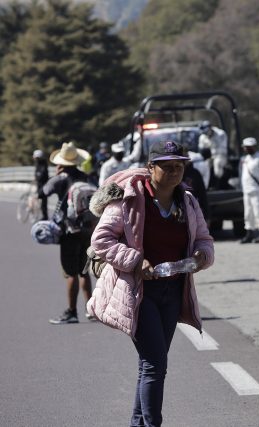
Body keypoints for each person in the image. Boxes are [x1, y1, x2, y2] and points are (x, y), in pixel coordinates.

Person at [86, 140, 214, 426]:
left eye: (179, 166)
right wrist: (135, 260)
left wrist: (202, 256)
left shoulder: (188, 201)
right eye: (166, 166)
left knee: (151, 364)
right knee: (155, 364)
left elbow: (205, 238)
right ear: (150, 167)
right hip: (138, 292)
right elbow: (101, 240)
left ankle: (138, 424)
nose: (173, 172)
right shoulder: (130, 199)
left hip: (173, 290)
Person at [40, 142, 94, 324]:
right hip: (86, 230)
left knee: (71, 273)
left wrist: (57, 177)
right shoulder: (84, 177)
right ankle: (91, 310)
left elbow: (44, 192)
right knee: (84, 272)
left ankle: (71, 312)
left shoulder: (61, 178)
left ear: (61, 162)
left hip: (69, 231)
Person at [239, 137, 259, 244]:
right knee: (248, 214)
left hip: (257, 190)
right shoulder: (245, 159)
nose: (246, 149)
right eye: (245, 147)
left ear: (253, 147)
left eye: (248, 147)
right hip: (247, 191)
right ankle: (249, 233)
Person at [198, 121, 228, 187]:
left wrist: (212, 155)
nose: (206, 134)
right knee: (204, 165)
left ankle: (219, 184)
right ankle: (206, 186)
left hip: (220, 155)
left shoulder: (221, 134)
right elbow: (202, 150)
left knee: (217, 164)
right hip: (209, 157)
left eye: (206, 131)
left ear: (210, 128)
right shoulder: (202, 137)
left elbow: (222, 149)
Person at [33, 149, 49, 220]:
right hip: (39, 185)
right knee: (41, 201)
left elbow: (42, 175)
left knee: (43, 203)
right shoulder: (38, 164)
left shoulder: (44, 165)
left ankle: (45, 216)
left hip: (43, 186)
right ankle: (41, 215)